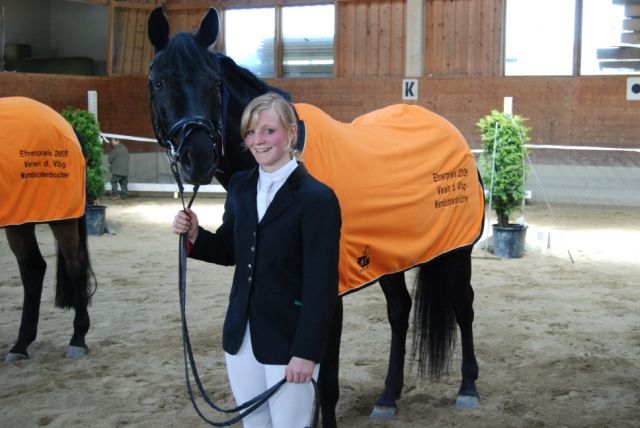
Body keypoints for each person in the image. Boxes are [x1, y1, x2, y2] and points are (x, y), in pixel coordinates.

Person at [172, 92, 341, 427]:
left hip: (289, 340)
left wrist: (306, 352)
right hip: (241, 337)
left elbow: (321, 286)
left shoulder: (318, 199)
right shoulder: (241, 186)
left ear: (291, 133)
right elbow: (229, 249)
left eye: (268, 131)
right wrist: (194, 235)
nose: (258, 140)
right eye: (250, 132)